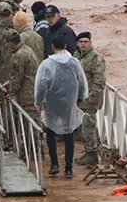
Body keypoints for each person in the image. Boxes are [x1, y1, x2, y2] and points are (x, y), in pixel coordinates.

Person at [35, 35, 88, 178]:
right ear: (66, 46)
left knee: (50, 130)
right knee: (69, 132)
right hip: (69, 101)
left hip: (51, 101)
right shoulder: (74, 63)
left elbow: (40, 85)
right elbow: (81, 82)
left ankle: (54, 164)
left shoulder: (46, 64)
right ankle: (69, 168)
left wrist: (38, 102)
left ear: (52, 47)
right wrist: (80, 98)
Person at [75, 31, 107, 167]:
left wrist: (93, 95)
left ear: (90, 42)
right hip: (79, 97)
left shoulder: (96, 59)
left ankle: (92, 153)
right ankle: (90, 150)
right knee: (84, 126)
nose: (83, 44)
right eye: (81, 42)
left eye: (85, 41)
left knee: (89, 126)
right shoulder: (76, 56)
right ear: (77, 43)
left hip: (90, 98)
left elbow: (99, 79)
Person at [5, 31, 40, 121]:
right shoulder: (27, 49)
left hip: (27, 93)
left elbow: (17, 76)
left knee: (29, 120)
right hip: (33, 88)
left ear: (11, 43)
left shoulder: (20, 55)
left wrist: (12, 92)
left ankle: (34, 135)